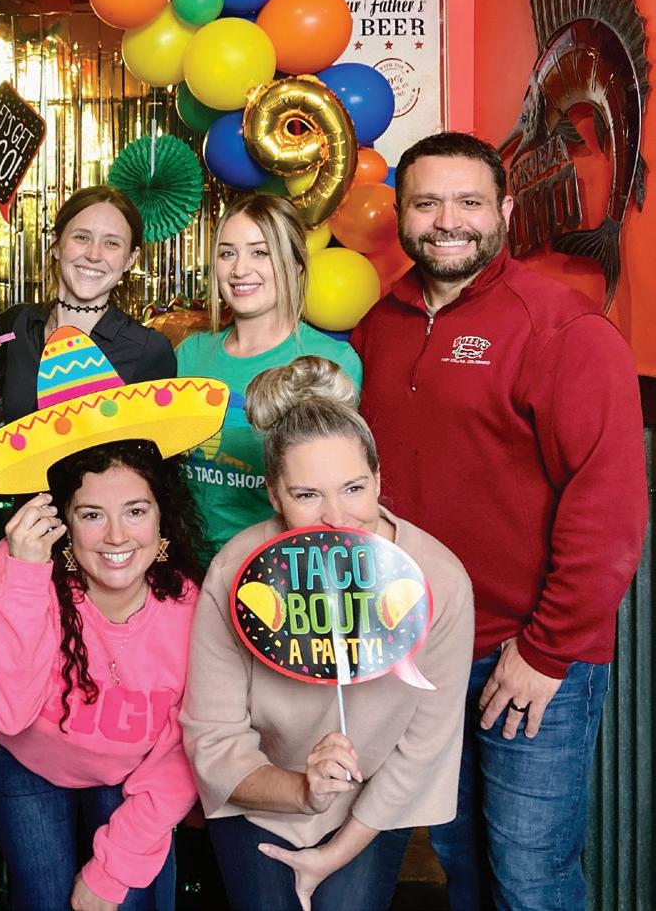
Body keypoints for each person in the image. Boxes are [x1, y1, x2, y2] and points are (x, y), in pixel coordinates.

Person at [350, 131, 646, 911]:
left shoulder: (560, 328)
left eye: (468, 202)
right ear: (400, 214)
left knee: (530, 880)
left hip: (524, 655)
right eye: (426, 202)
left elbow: (607, 508)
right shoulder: (374, 322)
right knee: (465, 868)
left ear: (504, 212)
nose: (447, 220)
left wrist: (544, 653)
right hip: (419, 653)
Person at [181, 356, 474, 911]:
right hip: (259, 794)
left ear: (379, 479)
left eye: (354, 488)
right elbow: (214, 736)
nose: (337, 517)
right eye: (307, 495)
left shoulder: (437, 580)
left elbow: (424, 747)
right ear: (273, 495)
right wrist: (302, 790)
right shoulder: (236, 572)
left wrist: (335, 852)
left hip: (370, 806)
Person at [0, 440, 204, 911]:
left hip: (132, 769)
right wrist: (25, 573)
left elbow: (179, 760)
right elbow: (5, 714)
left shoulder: (192, 608)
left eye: (135, 511)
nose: (116, 536)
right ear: (65, 523)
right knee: (45, 900)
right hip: (23, 756)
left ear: (162, 519)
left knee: (128, 898)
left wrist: (111, 873)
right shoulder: (23, 570)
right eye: (92, 515)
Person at [176, 193, 362, 559]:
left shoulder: (331, 361)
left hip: (277, 568)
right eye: (227, 253)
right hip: (186, 567)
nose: (239, 269)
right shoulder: (190, 354)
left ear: (296, 265)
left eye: (260, 252)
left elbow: (333, 489)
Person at [0, 186, 176, 427]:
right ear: (56, 244)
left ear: (130, 259)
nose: (93, 255)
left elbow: (156, 445)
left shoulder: (150, 351)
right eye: (82, 237)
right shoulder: (16, 324)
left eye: (111, 243)